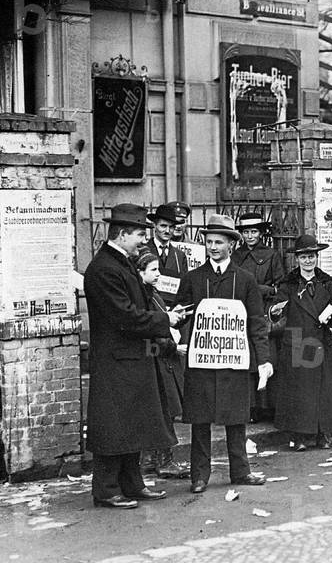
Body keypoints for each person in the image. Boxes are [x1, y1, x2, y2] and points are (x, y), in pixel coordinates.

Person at [84, 204, 185, 508]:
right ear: (123, 233)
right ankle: (106, 490)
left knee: (131, 425)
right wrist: (165, 320)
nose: (144, 240)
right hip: (115, 361)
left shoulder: (120, 263)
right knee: (114, 426)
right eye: (140, 233)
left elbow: (137, 308)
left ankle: (132, 484)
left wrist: (163, 316)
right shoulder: (105, 269)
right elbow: (125, 317)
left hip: (129, 359)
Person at [176, 214, 272, 493]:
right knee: (200, 419)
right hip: (202, 360)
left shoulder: (245, 280)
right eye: (209, 242)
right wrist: (177, 333)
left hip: (235, 360)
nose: (213, 247)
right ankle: (199, 476)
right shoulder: (194, 278)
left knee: (236, 418)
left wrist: (263, 359)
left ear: (231, 244)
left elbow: (257, 321)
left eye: (219, 242)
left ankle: (241, 472)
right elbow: (180, 315)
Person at [269, 235, 332, 451]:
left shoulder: (325, 281)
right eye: (303, 257)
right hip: (298, 340)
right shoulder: (288, 284)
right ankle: (299, 435)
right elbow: (276, 310)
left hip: (320, 340)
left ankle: (323, 433)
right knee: (299, 391)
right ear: (297, 259)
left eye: (311, 256)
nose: (308, 261)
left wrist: (331, 317)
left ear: (316, 258)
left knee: (323, 389)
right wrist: (275, 311)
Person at [135, 252, 190, 479]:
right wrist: (173, 348)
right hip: (158, 359)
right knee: (162, 411)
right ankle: (164, 461)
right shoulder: (144, 297)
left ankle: (149, 460)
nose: (159, 274)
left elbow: (161, 320)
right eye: (153, 270)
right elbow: (151, 331)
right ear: (140, 273)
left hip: (162, 359)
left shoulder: (152, 293)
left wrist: (177, 316)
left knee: (159, 411)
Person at [232, 212, 286, 423]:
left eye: (254, 231)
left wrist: (259, 290)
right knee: (246, 358)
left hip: (264, 309)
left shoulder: (271, 255)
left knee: (266, 355)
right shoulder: (236, 256)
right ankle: (251, 407)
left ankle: (268, 407)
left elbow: (280, 286)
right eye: (246, 232)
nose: (250, 236)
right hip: (241, 309)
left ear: (261, 233)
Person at [140, 203, 191, 308]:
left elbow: (184, 289)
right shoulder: (143, 251)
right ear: (154, 225)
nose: (167, 231)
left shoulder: (180, 256)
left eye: (171, 227)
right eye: (163, 226)